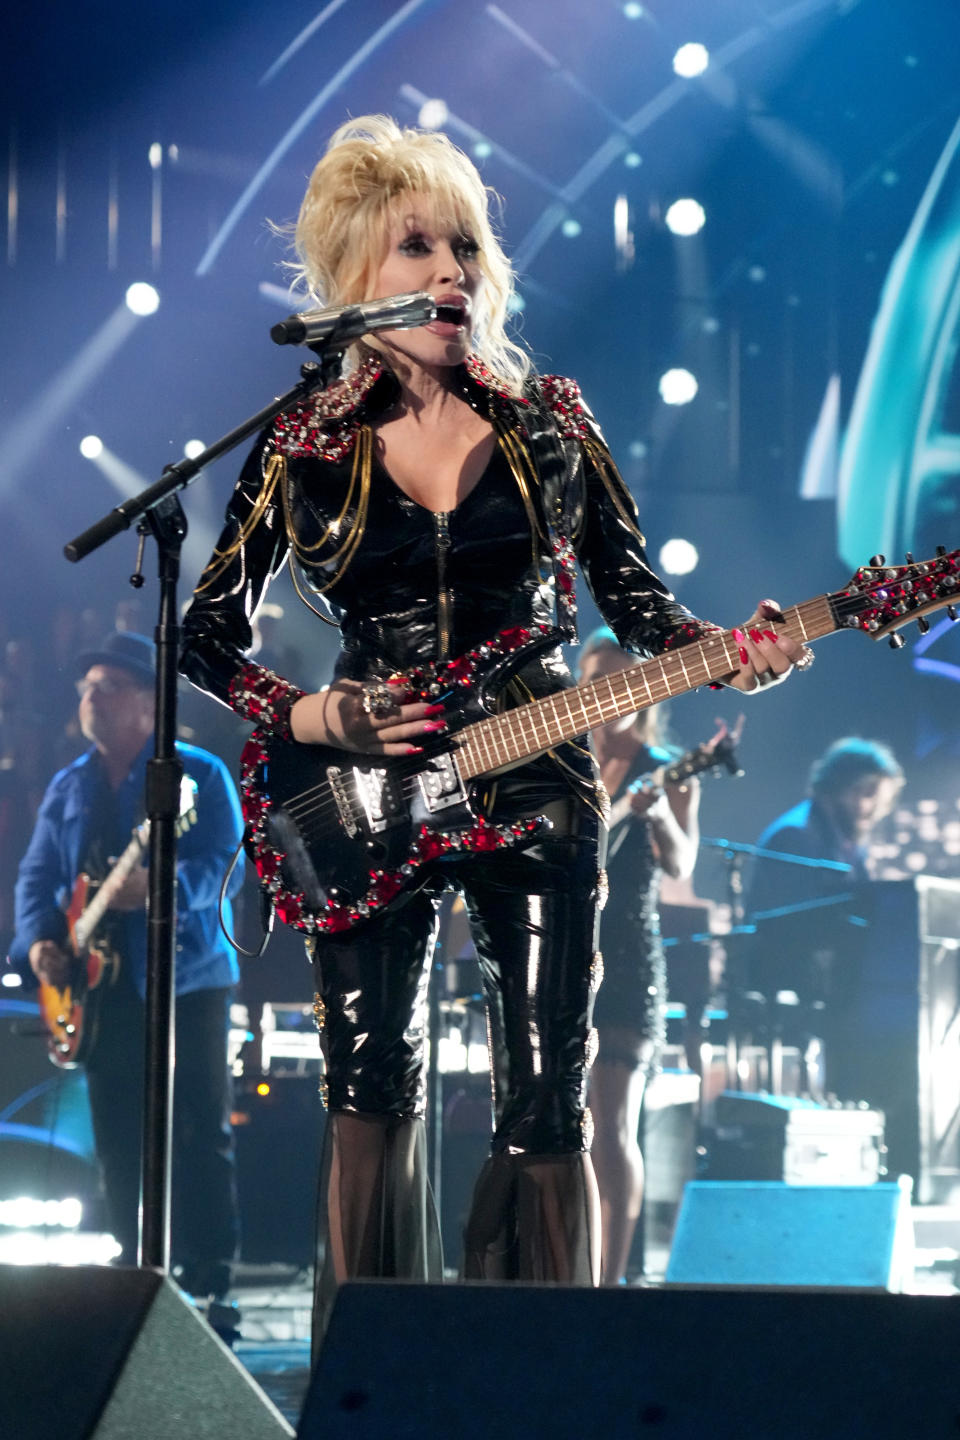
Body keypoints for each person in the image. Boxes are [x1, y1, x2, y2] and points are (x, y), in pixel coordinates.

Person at [177, 113, 808, 1341]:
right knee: (368, 1085)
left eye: (465, 246)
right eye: (419, 246)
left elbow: (641, 607)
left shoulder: (550, 420)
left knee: (546, 1098)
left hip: (539, 776)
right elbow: (204, 634)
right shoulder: (302, 444)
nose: (452, 270)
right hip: (364, 791)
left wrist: (739, 657)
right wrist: (315, 712)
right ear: (357, 272)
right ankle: (376, 1372)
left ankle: (537, 1382)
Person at [9, 631, 244, 1301]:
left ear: (148, 701)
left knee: (200, 1123)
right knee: (116, 1125)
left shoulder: (198, 774)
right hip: (97, 987)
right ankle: (130, 1261)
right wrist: (37, 943)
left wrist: (162, 891)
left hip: (188, 978)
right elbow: (38, 875)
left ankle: (208, 1270)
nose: (91, 700)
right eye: (86, 690)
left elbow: (227, 868)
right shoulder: (68, 782)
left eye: (107, 688)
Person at [577, 628, 700, 1285]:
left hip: (626, 955)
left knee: (615, 1121)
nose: (605, 692)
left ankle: (609, 1278)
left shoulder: (667, 767)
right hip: (564, 952)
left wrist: (657, 817)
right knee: (568, 1123)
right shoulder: (561, 759)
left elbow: (682, 863)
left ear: (645, 690)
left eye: (620, 679)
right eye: (594, 676)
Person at [745, 737, 904, 1090]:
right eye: (863, 793)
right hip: (792, 983)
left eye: (876, 796)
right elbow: (792, 927)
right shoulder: (796, 834)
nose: (869, 807)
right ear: (835, 786)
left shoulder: (843, 840)